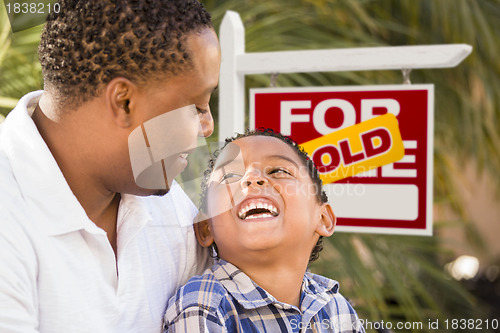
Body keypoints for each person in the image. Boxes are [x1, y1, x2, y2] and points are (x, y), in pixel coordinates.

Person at [0, 0, 220, 332]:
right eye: (197, 106)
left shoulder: (170, 206)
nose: (208, 127)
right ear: (124, 102)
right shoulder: (9, 217)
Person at [163, 129, 365, 332]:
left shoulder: (338, 308)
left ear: (322, 219)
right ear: (206, 227)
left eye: (278, 171)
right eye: (230, 175)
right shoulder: (204, 306)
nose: (251, 179)